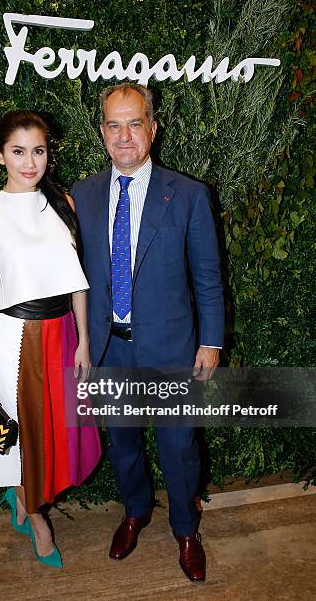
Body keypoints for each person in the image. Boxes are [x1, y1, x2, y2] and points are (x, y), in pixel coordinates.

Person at [71, 83, 224, 582]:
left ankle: (186, 528)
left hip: (172, 349)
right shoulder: (84, 195)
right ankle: (135, 511)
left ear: (152, 129)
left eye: (134, 123)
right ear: (102, 132)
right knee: (124, 443)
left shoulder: (189, 195)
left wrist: (212, 341)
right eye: (113, 125)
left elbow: (208, 275)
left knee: (179, 449)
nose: (124, 136)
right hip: (110, 350)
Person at [0, 110, 101, 569]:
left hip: (63, 336)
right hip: (14, 342)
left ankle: (24, 501)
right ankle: (36, 518)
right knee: (24, 441)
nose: (30, 163)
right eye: (19, 152)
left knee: (57, 437)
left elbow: (76, 281)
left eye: (38, 151)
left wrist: (83, 340)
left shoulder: (63, 202)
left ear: (48, 153)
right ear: (0, 155)